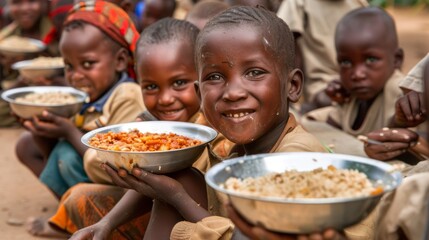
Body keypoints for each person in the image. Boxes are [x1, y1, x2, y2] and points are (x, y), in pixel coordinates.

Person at [70, 6, 327, 240]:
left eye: (254, 73)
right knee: (180, 175)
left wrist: (178, 198)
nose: (233, 92)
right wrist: (107, 223)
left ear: (292, 86)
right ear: (200, 94)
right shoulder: (236, 150)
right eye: (215, 77)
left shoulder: (297, 159)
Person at [27, 17, 205, 239]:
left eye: (179, 83)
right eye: (151, 86)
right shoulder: (150, 126)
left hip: (201, 220)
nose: (165, 99)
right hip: (153, 206)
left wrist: (173, 194)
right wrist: (107, 223)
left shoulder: (210, 126)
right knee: (78, 198)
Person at [228, 51, 429, 240]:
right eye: (345, 63)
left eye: (255, 73)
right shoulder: (351, 97)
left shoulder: (413, 195)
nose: (233, 93)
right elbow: (327, 117)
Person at [15, 1, 144, 199]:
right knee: (28, 144)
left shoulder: (127, 95)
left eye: (87, 64)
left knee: (67, 156)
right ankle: (69, 212)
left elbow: (117, 163)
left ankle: (88, 219)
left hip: (124, 187)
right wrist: (42, 129)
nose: (76, 76)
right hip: (91, 171)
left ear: (120, 61)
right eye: (69, 66)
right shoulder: (82, 95)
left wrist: (68, 131)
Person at [305, 7, 404, 140]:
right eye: (346, 62)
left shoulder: (398, 91)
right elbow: (331, 124)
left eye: (371, 60)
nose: (357, 74)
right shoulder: (351, 95)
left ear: (396, 59)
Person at [277, 0, 368, 113]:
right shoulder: (298, 3)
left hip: (357, 78)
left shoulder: (358, 4)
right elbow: (289, 47)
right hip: (323, 86)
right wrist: (290, 92)